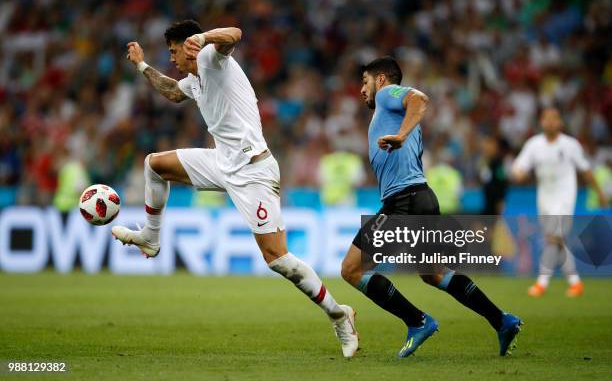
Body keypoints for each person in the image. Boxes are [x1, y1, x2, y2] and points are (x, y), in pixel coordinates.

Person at [112, 20, 358, 357]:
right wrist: (141, 65)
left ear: (189, 47)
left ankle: (338, 313)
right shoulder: (194, 80)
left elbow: (235, 34)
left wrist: (202, 37)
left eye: (173, 51)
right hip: (222, 162)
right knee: (154, 164)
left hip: (253, 170)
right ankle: (151, 238)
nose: (171, 58)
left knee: (277, 259)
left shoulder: (212, 57)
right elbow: (172, 91)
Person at [340, 56, 522, 358]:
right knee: (434, 273)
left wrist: (400, 136)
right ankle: (502, 320)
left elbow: (420, 99)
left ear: (381, 79)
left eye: (365, 81)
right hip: (422, 197)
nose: (362, 89)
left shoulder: (388, 95)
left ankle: (418, 321)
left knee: (351, 269)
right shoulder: (391, 112)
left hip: (405, 201)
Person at [512, 107, 607, 297]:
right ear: (541, 122)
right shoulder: (534, 144)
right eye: (546, 118)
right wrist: (518, 174)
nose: (550, 122)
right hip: (544, 197)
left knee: (553, 237)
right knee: (556, 239)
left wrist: (600, 192)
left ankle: (542, 282)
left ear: (560, 122)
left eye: (554, 118)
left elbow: (586, 170)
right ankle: (575, 282)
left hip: (564, 196)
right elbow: (519, 167)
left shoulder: (570, 144)